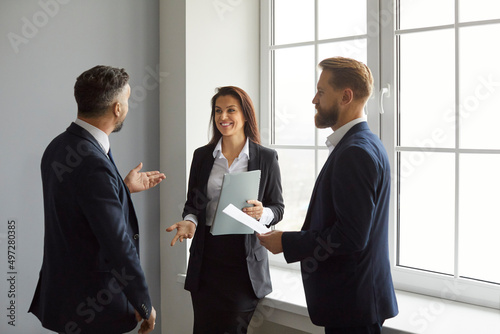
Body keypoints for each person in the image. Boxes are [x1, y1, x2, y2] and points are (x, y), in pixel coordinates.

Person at [257, 57, 398, 334]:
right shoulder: (364, 144)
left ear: (346, 96)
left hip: (352, 307)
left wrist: (286, 242)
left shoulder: (355, 152)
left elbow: (352, 236)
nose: (314, 99)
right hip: (355, 302)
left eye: (321, 92)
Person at [29, 65, 165, 334]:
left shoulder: (58, 146)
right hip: (95, 308)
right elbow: (117, 244)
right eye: (126, 100)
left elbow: (77, 210)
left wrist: (122, 189)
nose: (127, 106)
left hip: (65, 300)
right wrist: (143, 302)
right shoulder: (93, 163)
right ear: (116, 108)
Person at [166, 86, 284, 334]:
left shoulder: (266, 157)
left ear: (245, 115)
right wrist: (189, 222)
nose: (223, 117)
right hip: (207, 260)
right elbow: (193, 204)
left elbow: (278, 207)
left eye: (231, 110)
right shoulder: (202, 156)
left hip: (244, 262)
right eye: (218, 111)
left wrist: (263, 213)